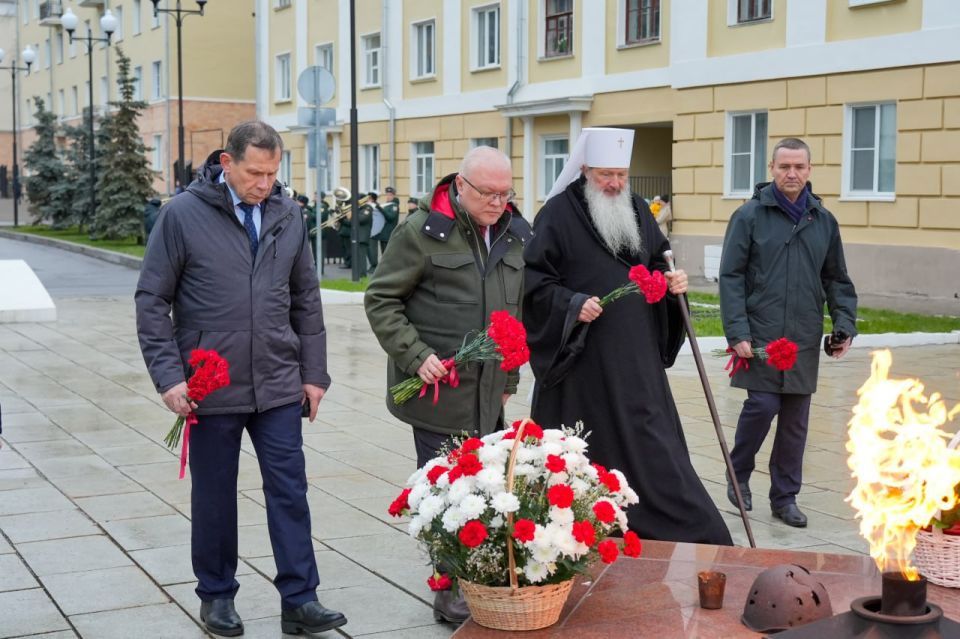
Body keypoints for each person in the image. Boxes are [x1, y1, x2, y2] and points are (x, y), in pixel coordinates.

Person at [135, 121, 347, 637]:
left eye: (273, 173)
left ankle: (300, 598)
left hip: (277, 381)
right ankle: (217, 596)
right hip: (211, 383)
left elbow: (306, 301)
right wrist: (169, 378)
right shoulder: (182, 215)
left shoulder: (288, 213)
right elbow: (151, 301)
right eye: (255, 172)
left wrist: (314, 374)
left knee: (290, 491)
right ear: (226, 163)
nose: (264, 183)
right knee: (214, 495)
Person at [523, 127, 732, 546]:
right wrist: (571, 303)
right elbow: (533, 284)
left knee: (657, 448)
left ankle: (694, 530)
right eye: (605, 175)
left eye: (621, 174)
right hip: (582, 365)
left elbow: (657, 260)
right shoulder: (556, 215)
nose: (615, 183)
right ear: (584, 171)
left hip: (636, 360)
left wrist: (673, 287)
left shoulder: (637, 208)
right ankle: (584, 522)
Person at [364, 146, 530, 623]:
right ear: (461, 185)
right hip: (439, 392)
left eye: (507, 193)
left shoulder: (514, 234)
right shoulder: (421, 232)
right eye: (489, 194)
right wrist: (417, 357)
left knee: (485, 487)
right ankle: (450, 588)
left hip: (489, 391)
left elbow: (511, 314)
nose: (500, 203)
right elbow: (381, 300)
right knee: (446, 493)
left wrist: (510, 375)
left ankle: (477, 576)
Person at [720, 137, 857, 529]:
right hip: (760, 337)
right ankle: (737, 473)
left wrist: (843, 324)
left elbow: (836, 279)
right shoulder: (748, 216)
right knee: (762, 406)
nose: (791, 173)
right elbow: (730, 277)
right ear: (772, 170)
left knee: (795, 422)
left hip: (803, 336)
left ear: (809, 170)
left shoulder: (823, 221)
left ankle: (784, 497)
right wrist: (737, 332)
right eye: (784, 167)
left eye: (799, 166)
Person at [375, 186, 400, 256]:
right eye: (387, 195)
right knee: (383, 254)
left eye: (390, 195)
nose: (388, 196)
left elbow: (391, 217)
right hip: (383, 233)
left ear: (394, 196)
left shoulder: (394, 206)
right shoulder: (386, 205)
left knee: (388, 254)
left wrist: (380, 208)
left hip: (389, 233)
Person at [365, 191, 383, 272]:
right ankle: (372, 265)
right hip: (368, 231)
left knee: (372, 250)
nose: (366, 200)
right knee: (369, 250)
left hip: (373, 232)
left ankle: (374, 266)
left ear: (371, 199)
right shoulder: (369, 206)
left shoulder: (375, 206)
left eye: (368, 198)